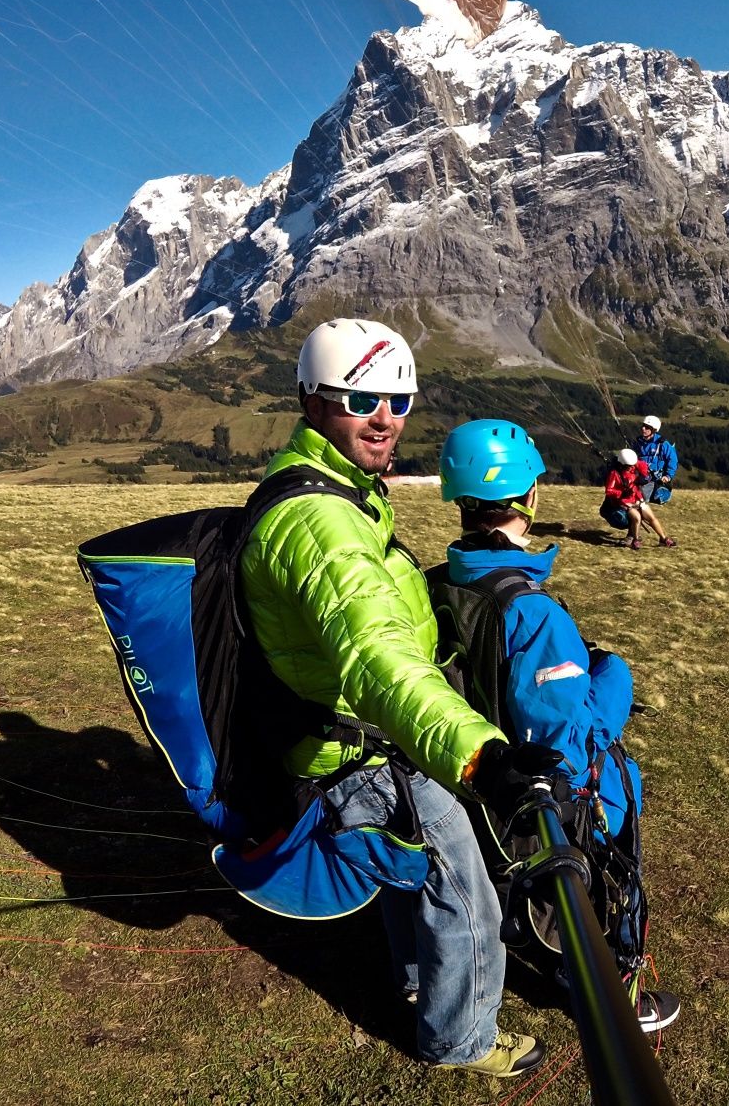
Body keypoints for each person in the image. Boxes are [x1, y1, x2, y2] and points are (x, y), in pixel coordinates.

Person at [237, 318, 558, 1079]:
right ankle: (460, 1038)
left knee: (413, 860)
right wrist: (480, 758)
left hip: (351, 734)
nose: (384, 418)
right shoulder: (320, 522)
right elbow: (379, 662)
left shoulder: (332, 489)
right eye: (361, 400)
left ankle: (416, 979)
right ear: (313, 401)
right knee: (464, 884)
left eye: (398, 400)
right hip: (366, 747)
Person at [436, 420, 680, 1034]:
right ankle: (612, 984)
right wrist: (614, 679)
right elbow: (567, 740)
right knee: (605, 860)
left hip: (472, 781)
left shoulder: (439, 585)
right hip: (539, 794)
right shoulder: (533, 614)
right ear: (529, 497)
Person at [601, 448, 674, 550]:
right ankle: (635, 539)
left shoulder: (634, 466)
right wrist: (622, 493)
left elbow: (643, 466)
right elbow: (609, 491)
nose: (632, 467)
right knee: (637, 518)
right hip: (625, 502)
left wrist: (646, 477)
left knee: (651, 517)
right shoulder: (614, 474)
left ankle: (663, 538)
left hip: (637, 498)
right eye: (629, 466)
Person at [636, 415, 679, 505]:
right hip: (641, 476)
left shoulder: (662, 444)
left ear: (654, 430)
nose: (643, 429)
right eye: (643, 426)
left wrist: (668, 476)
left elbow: (672, 460)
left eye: (647, 427)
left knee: (641, 499)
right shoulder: (638, 443)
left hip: (655, 479)